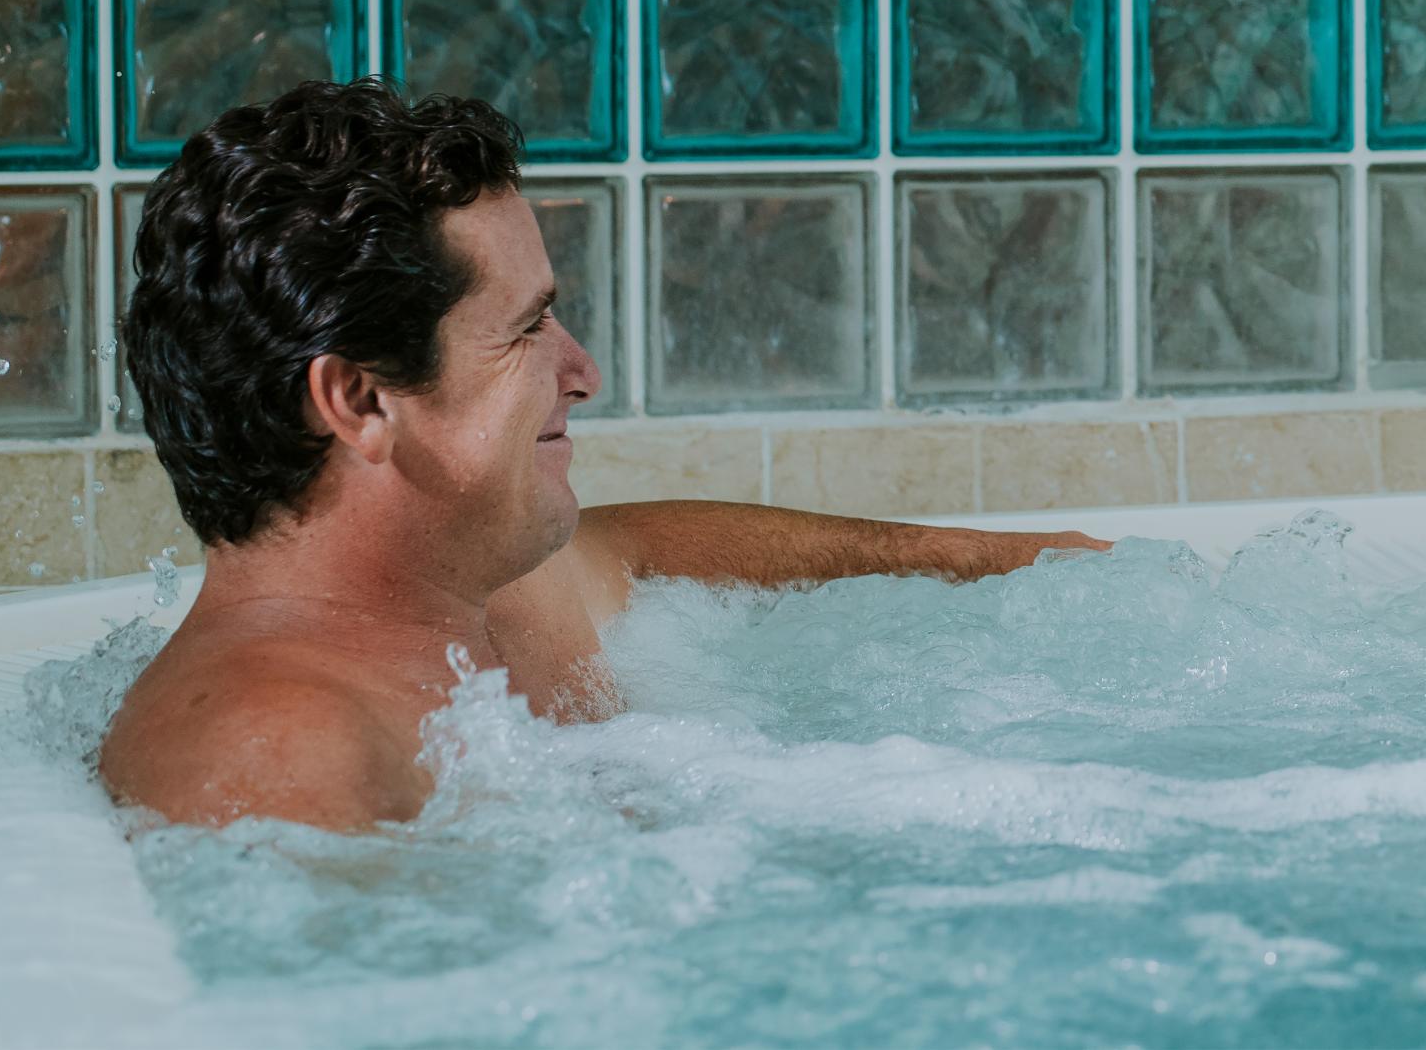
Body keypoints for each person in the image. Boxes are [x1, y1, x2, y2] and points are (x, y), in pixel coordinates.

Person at [98, 80, 1106, 830]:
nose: (580, 371)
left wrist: (994, 559)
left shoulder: (495, 594)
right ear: (361, 400)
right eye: (526, 329)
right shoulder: (281, 761)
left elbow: (648, 550)